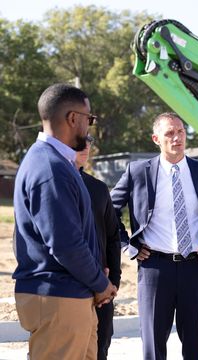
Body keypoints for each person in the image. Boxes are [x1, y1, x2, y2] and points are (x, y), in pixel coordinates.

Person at [110, 112, 198, 360]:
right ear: (156, 138)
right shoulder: (138, 171)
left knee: (196, 345)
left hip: (195, 268)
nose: (177, 137)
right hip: (153, 269)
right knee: (153, 346)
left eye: (181, 131)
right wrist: (127, 246)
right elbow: (108, 211)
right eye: (169, 133)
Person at [12, 83, 117, 360]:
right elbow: (66, 244)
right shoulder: (50, 168)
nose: (89, 127)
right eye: (89, 119)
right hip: (60, 299)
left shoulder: (57, 163)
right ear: (73, 118)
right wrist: (101, 283)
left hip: (72, 297)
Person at [76, 135, 122, 360]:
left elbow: (114, 238)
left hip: (101, 295)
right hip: (64, 293)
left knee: (99, 351)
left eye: (89, 141)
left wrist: (112, 283)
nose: (86, 146)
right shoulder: (49, 183)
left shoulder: (98, 189)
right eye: (80, 140)